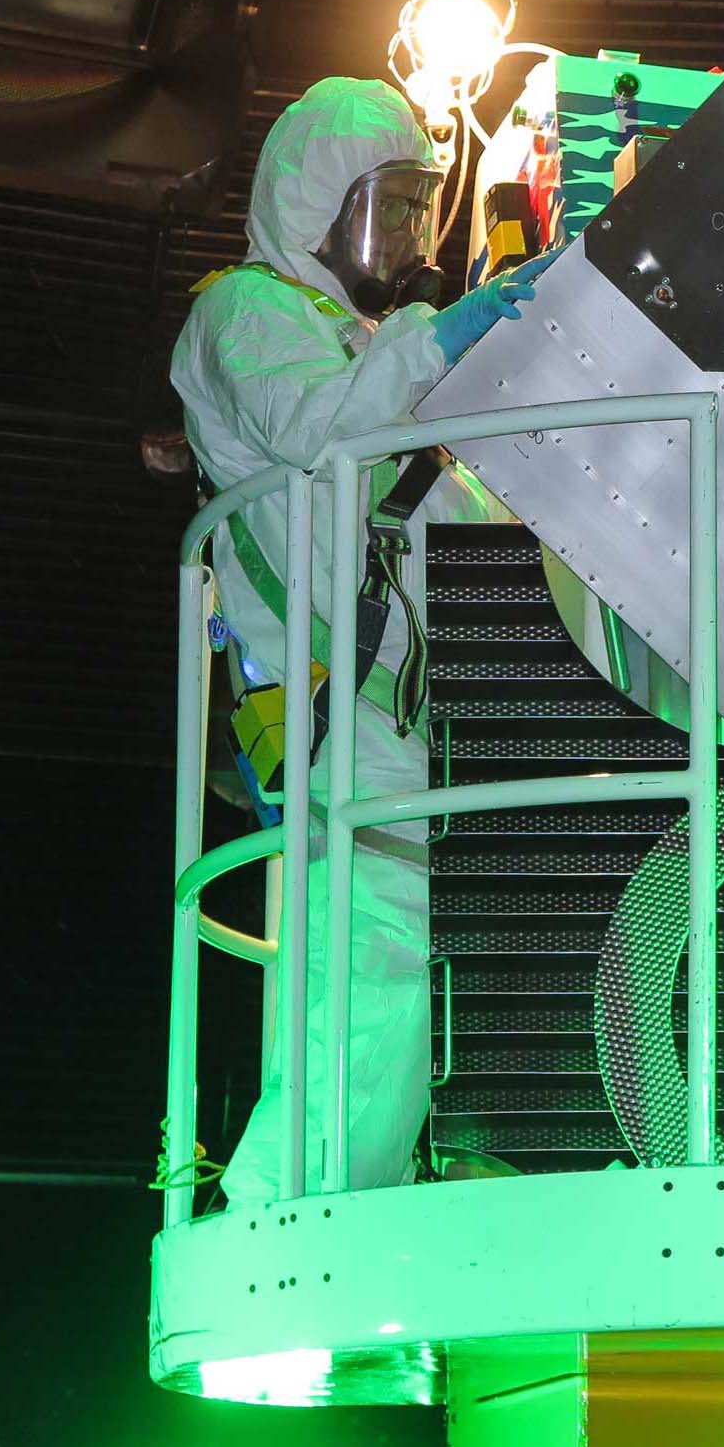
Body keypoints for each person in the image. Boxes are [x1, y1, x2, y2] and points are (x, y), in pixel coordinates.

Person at [172, 76, 542, 1202]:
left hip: (387, 702)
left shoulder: (377, 347)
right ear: (311, 210)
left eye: (422, 206)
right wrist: (447, 343)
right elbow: (319, 433)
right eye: (389, 205)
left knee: (386, 948)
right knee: (370, 948)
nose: (413, 235)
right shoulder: (250, 310)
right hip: (318, 689)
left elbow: (453, 515)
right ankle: (288, 1208)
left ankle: (326, 1197)